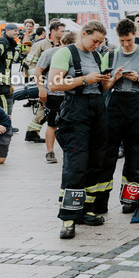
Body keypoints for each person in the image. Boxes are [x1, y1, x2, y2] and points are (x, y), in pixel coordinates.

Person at [48, 20, 112, 239]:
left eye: (101, 42)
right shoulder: (65, 52)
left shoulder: (97, 56)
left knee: (96, 161)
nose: (97, 45)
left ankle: (87, 210)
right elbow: (54, 84)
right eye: (95, 40)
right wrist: (85, 79)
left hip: (97, 110)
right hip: (75, 110)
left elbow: (101, 88)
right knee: (76, 164)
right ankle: (68, 217)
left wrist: (109, 80)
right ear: (84, 33)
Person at [100, 18, 139, 214]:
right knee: (107, 153)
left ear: (135, 34)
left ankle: (131, 198)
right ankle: (101, 199)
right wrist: (114, 79)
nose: (125, 44)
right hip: (115, 104)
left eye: (128, 40)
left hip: (138, 103)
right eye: (122, 40)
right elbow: (103, 87)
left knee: (135, 153)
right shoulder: (109, 55)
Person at [35, 31, 76, 164]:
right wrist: (41, 89)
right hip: (52, 94)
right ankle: (50, 151)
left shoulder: (77, 54)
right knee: (52, 124)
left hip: (70, 94)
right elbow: (38, 70)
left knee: (70, 124)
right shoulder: (50, 53)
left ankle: (68, 151)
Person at [23, 20, 66, 143]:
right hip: (43, 84)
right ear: (53, 31)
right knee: (44, 108)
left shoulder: (64, 45)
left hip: (58, 85)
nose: (64, 33)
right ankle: (32, 132)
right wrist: (39, 79)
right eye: (62, 31)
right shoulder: (40, 45)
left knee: (44, 109)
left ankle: (32, 132)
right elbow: (29, 63)